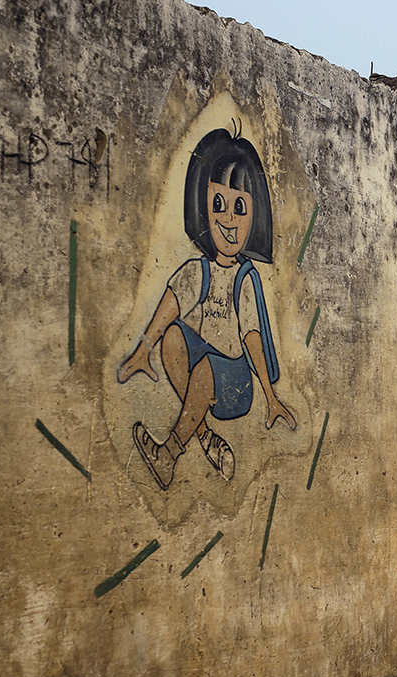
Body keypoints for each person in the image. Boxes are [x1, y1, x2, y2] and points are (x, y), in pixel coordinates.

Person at [118, 127, 297, 490]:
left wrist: (271, 396)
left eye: (239, 208)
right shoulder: (196, 270)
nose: (228, 219)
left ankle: (167, 454)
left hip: (234, 379)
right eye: (218, 204)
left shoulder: (245, 278)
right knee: (172, 339)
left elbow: (251, 336)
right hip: (203, 364)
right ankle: (206, 437)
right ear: (201, 206)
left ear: (254, 216)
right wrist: (143, 350)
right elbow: (170, 306)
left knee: (203, 370)